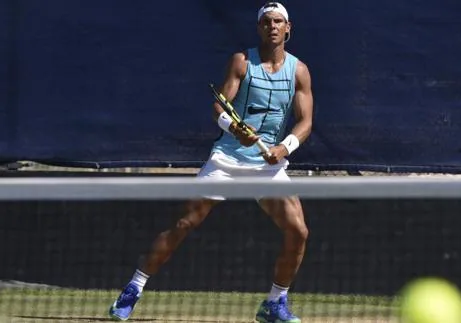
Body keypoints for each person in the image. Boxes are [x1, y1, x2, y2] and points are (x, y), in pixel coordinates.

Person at [108, 2, 313, 322]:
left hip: (268, 166)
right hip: (227, 159)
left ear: (288, 28)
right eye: (266, 22)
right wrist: (234, 129)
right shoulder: (241, 63)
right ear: (259, 28)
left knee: (298, 231)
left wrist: (284, 148)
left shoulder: (299, 71)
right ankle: (134, 288)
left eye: (278, 22)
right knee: (183, 224)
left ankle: (275, 303)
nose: (272, 26)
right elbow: (220, 108)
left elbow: (305, 123)